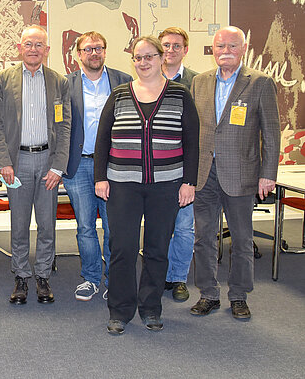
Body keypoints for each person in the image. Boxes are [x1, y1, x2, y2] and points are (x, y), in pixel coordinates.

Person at [94, 36, 199, 335]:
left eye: (149, 56)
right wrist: (100, 177)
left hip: (166, 185)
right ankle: (120, 310)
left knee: (156, 248)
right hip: (123, 185)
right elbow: (103, 139)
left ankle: (151, 307)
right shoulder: (119, 94)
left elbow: (192, 142)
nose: (143, 62)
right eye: (138, 58)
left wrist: (188, 181)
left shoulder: (179, 94)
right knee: (122, 248)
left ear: (161, 58)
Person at [189, 26, 280, 320]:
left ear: (243, 49)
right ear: (212, 50)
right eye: (219, 46)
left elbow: (271, 132)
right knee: (203, 238)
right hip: (205, 173)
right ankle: (208, 294)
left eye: (231, 46)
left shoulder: (260, 83)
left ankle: (239, 295)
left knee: (241, 240)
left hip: (242, 174)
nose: (224, 51)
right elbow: (191, 131)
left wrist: (268, 174)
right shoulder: (200, 82)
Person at [0, 25, 71, 305]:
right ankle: (22, 275)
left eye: (39, 44)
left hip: (48, 161)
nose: (33, 49)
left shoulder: (59, 81)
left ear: (47, 50)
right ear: (19, 48)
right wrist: (4, 162)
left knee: (47, 224)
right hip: (17, 162)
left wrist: (58, 166)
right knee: (19, 223)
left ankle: (43, 276)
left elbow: (65, 126)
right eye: (28, 44)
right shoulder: (4, 79)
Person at [64, 31, 132, 301]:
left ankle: (114, 279)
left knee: (114, 226)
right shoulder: (65, 84)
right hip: (79, 165)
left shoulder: (124, 82)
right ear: (78, 54)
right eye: (88, 49)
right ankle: (91, 278)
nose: (94, 53)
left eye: (99, 48)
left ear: (105, 51)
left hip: (114, 166)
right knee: (85, 227)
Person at [158, 27, 199, 302]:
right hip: (154, 167)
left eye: (176, 46)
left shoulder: (198, 82)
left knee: (184, 227)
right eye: (165, 45)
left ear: (185, 50)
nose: (170, 50)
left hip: (184, 166)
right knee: (159, 226)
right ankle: (159, 273)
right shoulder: (147, 79)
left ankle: (178, 278)